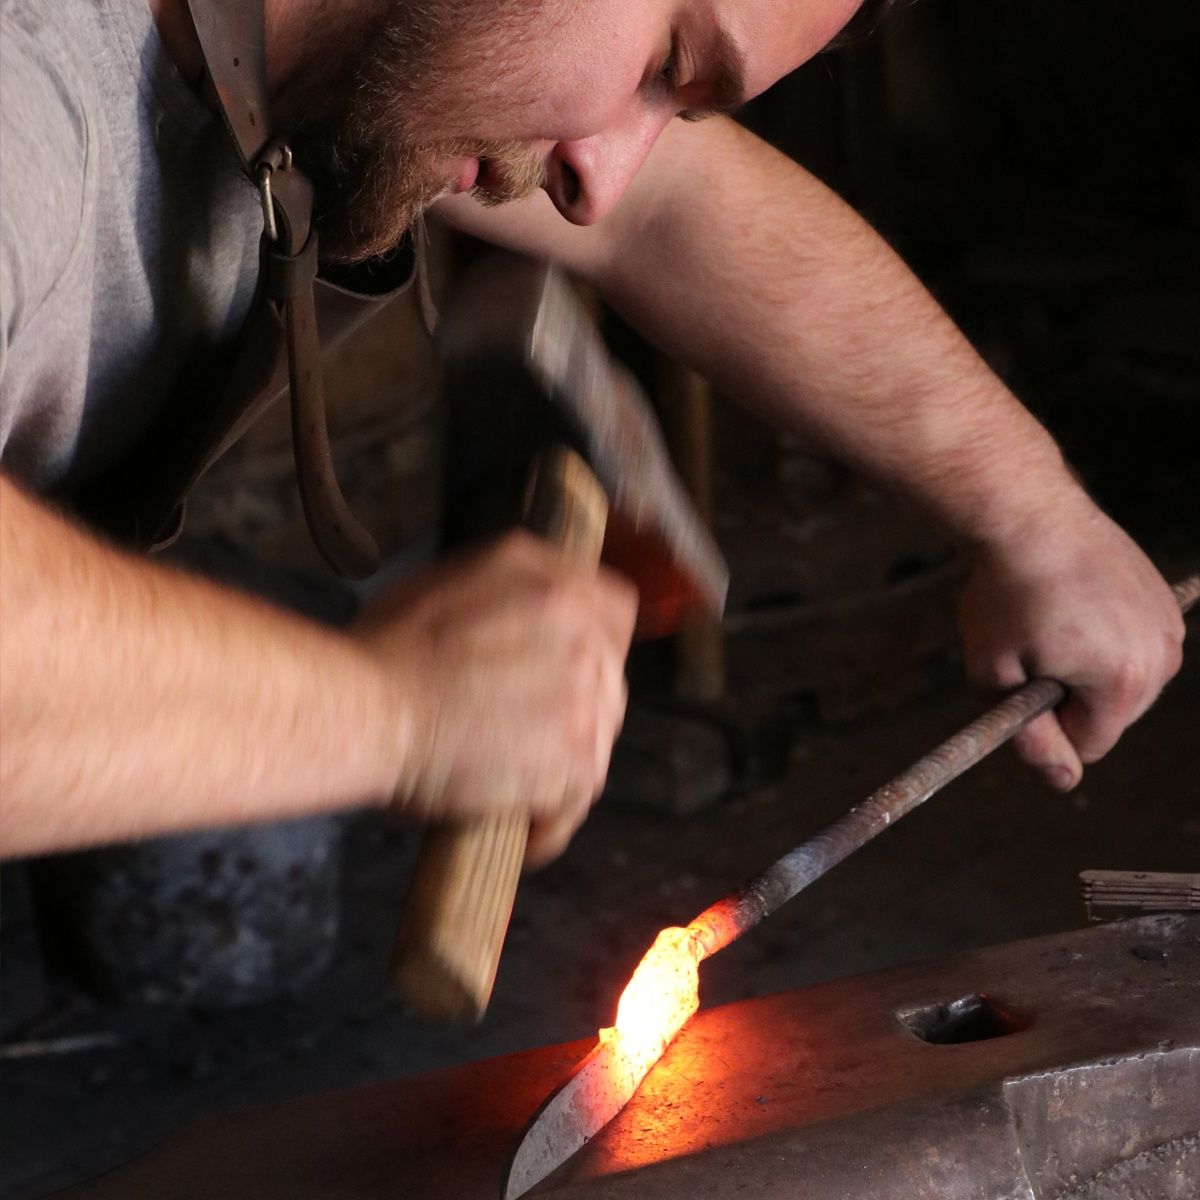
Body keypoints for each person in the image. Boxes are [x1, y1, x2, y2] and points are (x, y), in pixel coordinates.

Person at [0, 0, 1183, 866]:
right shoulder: (31, 89)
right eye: (666, 61)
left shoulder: (315, 47)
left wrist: (1036, 515)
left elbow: (671, 217)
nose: (604, 181)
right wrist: (396, 713)